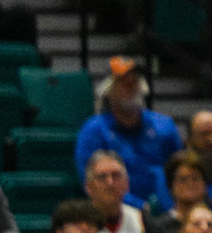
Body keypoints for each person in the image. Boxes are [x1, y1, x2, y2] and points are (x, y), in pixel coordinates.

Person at [73, 61, 182, 204]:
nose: (130, 87)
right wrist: (137, 206)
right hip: (116, 211)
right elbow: (90, 180)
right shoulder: (94, 131)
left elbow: (180, 170)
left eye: (134, 81)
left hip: (165, 210)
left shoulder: (164, 126)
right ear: (108, 90)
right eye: (123, 82)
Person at [81, 150, 149, 233]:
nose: (110, 182)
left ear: (126, 184)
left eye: (116, 175)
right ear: (88, 187)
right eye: (102, 177)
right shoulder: (77, 224)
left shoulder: (142, 220)